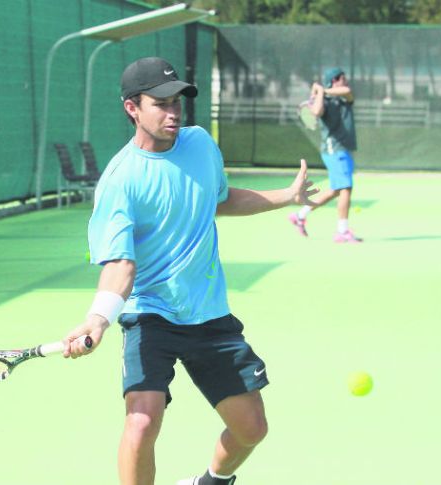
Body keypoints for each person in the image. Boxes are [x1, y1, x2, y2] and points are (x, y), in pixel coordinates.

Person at [60, 57, 320, 485]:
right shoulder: (120, 181)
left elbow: (219, 199)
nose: (173, 112)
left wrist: (286, 196)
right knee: (141, 423)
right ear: (132, 108)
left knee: (252, 428)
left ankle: (210, 481)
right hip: (150, 314)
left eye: (177, 101)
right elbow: (121, 264)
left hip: (208, 312)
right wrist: (98, 319)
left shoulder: (200, 144)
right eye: (161, 103)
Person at [288, 67, 363, 243]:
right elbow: (316, 112)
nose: (346, 81)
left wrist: (322, 89)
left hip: (343, 149)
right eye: (343, 78)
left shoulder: (343, 98)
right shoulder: (324, 101)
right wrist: (321, 93)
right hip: (334, 150)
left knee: (336, 190)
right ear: (334, 80)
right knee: (346, 188)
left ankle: (300, 216)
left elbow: (347, 92)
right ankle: (342, 232)